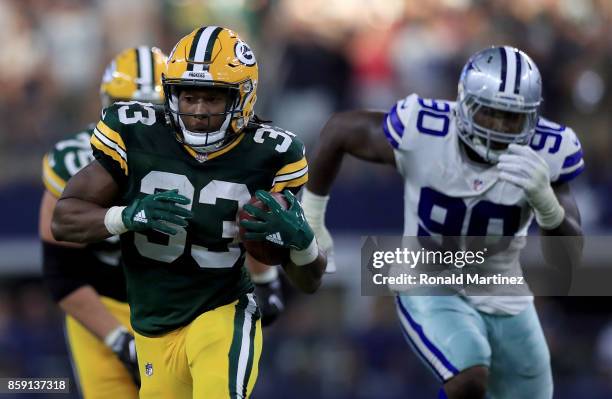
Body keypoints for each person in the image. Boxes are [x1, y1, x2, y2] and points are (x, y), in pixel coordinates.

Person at [51, 26, 326, 399]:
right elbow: (63, 220)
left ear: (243, 97)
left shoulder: (273, 153)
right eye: (188, 96)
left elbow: (309, 281)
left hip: (222, 308)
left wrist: (301, 243)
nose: (197, 111)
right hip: (152, 323)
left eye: (212, 99)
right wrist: (126, 216)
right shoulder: (136, 133)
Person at [303, 46, 584, 399]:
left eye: (511, 118)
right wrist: (312, 217)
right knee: (468, 374)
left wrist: (548, 205)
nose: (498, 127)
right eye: (490, 113)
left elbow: (569, 257)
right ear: (465, 104)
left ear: (531, 118)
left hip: (502, 291)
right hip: (428, 279)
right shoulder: (426, 130)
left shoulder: (548, 151)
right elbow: (340, 130)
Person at [40, 46, 167, 398]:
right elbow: (62, 273)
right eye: (124, 108)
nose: (134, 124)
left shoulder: (202, 160)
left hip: (178, 308)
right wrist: (118, 339)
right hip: (103, 309)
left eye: (150, 111)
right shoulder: (73, 161)